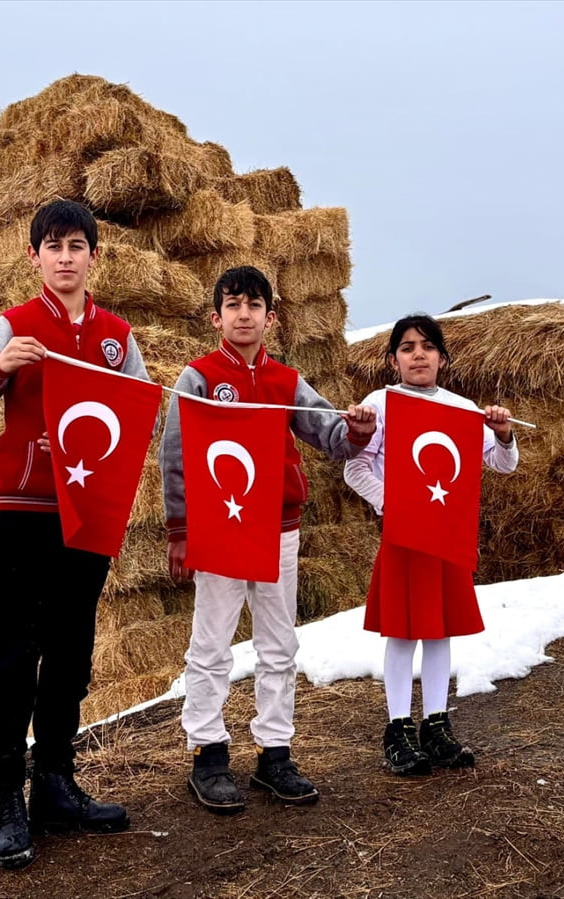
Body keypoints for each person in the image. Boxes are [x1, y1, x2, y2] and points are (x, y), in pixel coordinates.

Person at [0, 199, 148, 869]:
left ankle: (56, 781)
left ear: (94, 256)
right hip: (25, 509)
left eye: (76, 245)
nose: (65, 256)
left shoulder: (118, 336)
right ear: (34, 257)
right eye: (52, 245)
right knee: (14, 653)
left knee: (72, 649)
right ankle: (6, 794)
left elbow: (140, 416)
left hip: (86, 514)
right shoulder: (14, 325)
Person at [159, 265, 377, 814]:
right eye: (233, 305)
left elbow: (329, 433)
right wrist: (179, 531)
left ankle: (275, 752)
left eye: (254, 305)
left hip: (278, 528)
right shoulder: (200, 378)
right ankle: (208, 753)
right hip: (220, 529)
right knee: (211, 644)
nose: (244, 314)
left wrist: (355, 430)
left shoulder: (286, 381)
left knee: (279, 644)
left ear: (271, 318)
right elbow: (176, 457)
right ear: (216, 317)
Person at [342, 314, 517, 776]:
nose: (417, 354)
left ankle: (436, 725)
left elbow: (501, 464)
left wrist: (503, 433)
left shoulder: (461, 408)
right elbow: (355, 468)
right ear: (394, 359)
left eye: (426, 346)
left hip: (446, 536)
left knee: (440, 630)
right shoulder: (381, 403)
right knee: (402, 631)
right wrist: (394, 505)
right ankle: (397, 728)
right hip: (404, 536)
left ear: (441, 356)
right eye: (406, 347)